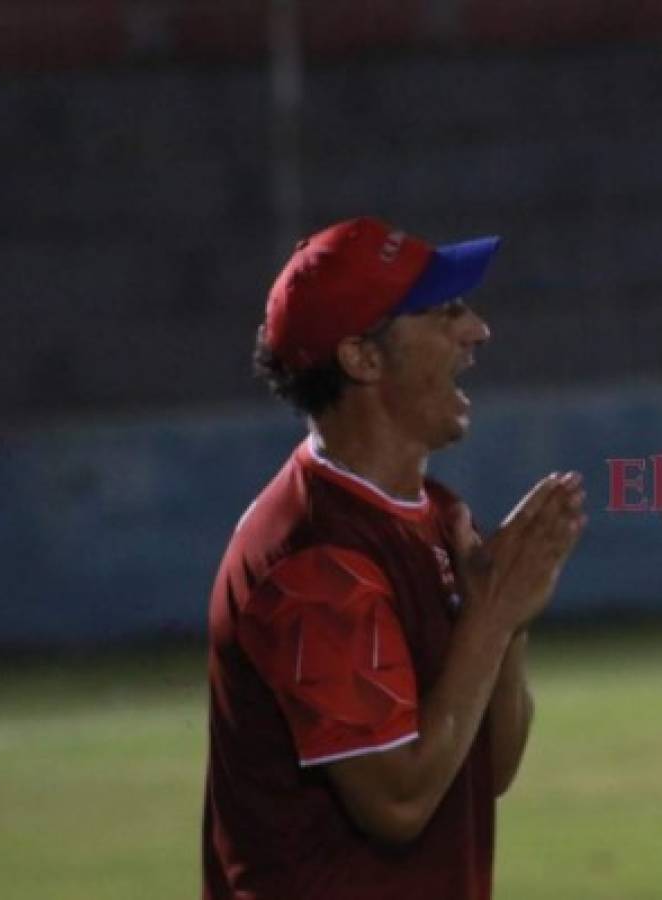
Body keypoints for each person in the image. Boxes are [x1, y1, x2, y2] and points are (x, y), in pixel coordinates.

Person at [201, 217, 586, 900]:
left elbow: (487, 766)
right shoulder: (312, 561)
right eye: (445, 313)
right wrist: (492, 616)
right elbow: (399, 804)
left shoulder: (435, 514)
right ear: (363, 359)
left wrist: (508, 613)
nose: (477, 331)